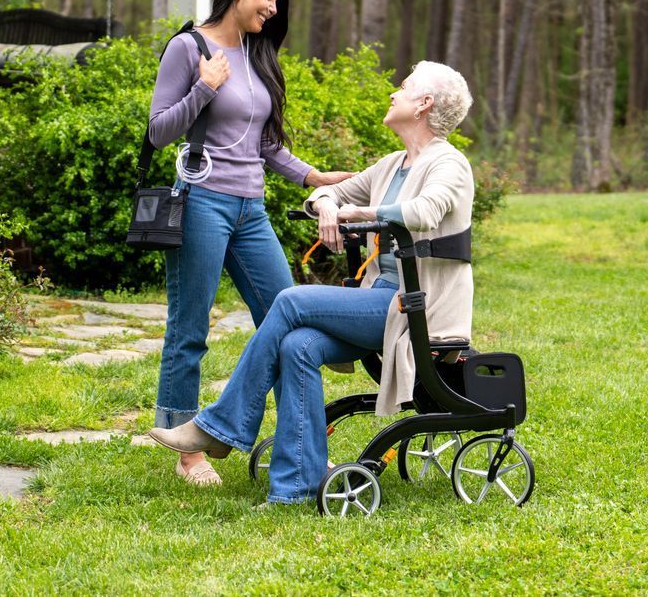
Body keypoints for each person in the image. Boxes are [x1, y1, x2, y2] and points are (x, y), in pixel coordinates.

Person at [148, 61, 475, 505]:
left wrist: (355, 215)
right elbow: (330, 192)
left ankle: (221, 427)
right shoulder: (393, 164)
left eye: (404, 86)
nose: (394, 92)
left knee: (290, 301)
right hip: (380, 299)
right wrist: (325, 204)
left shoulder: (449, 164)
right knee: (297, 345)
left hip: (416, 306)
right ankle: (295, 488)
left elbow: (426, 210)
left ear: (424, 104)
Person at [148, 0, 350, 486]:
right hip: (202, 203)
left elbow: (265, 146)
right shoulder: (188, 48)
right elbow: (159, 131)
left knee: (294, 323)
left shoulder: (259, 54)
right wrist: (204, 88)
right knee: (189, 328)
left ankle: (304, 447)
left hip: (251, 210)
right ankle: (186, 448)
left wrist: (313, 177)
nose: (273, 7)